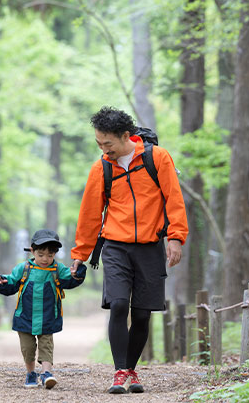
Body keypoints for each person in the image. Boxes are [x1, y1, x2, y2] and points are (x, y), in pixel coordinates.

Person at [70, 106, 188, 394]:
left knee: (143, 313)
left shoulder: (157, 159)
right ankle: (119, 371)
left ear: (126, 136)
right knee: (119, 304)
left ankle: (131, 370)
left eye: (107, 143)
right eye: (99, 143)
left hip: (150, 246)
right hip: (115, 246)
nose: (103, 149)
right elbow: (89, 213)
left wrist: (176, 237)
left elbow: (174, 199)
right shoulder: (102, 167)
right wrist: (80, 253)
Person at [0, 229, 86, 389]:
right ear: (32, 251)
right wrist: (2, 281)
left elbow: (71, 279)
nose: (45, 259)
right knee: (27, 349)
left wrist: (78, 273)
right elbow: (11, 282)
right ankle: (31, 373)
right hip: (25, 316)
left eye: (50, 256)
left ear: (55, 255)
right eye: (41, 254)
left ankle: (46, 373)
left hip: (48, 315)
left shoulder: (57, 269)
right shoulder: (23, 269)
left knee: (46, 345)